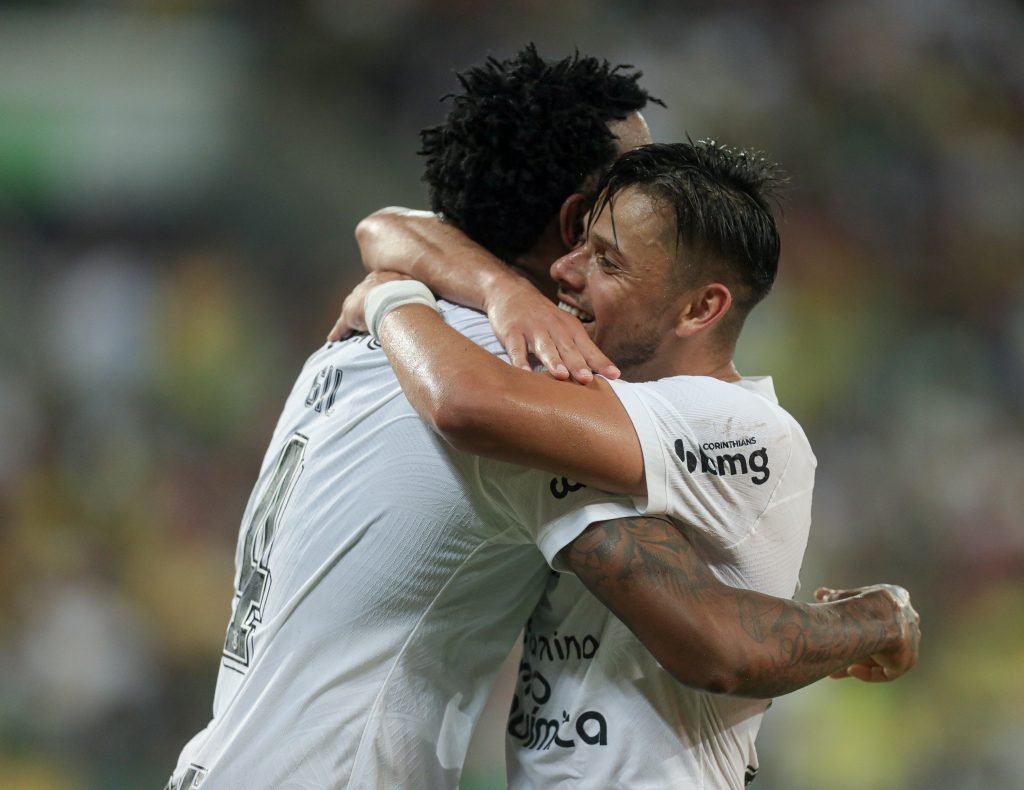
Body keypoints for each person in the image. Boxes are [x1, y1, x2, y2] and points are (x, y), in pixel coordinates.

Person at [167, 48, 918, 790]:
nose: (653, 184)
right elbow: (716, 640)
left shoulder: (382, 336)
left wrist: (403, 293)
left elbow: (392, 227)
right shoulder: (517, 377)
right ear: (574, 223)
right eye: (629, 182)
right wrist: (878, 623)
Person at [345, 140, 919, 788]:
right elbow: (386, 227)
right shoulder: (612, 411)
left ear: (701, 309)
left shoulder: (739, 425)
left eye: (607, 262)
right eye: (581, 242)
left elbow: (463, 402)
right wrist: (496, 285)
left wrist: (389, 301)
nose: (563, 270)